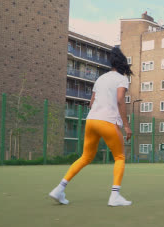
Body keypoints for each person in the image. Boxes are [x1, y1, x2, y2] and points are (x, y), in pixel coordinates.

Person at [49, 47, 133, 206]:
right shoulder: (122, 79)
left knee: (86, 157)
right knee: (119, 157)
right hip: (107, 122)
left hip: (91, 121)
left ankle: (59, 189)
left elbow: (91, 102)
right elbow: (120, 100)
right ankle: (115, 196)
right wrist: (127, 126)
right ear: (123, 64)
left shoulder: (100, 78)